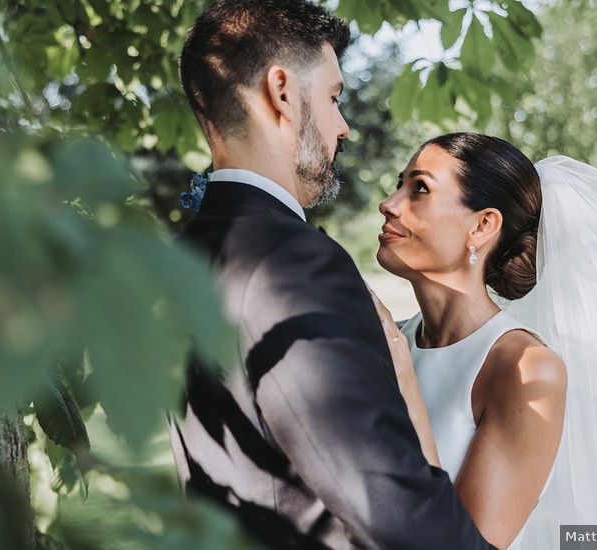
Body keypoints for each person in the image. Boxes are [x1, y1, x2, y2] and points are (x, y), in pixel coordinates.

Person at [168, 1, 495, 548]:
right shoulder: (294, 263)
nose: (343, 128)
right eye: (334, 97)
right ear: (282, 92)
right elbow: (395, 516)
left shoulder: (191, 248)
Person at [373, 132, 597, 549]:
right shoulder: (390, 338)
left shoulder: (524, 369)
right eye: (398, 184)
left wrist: (402, 374)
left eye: (419, 188)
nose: (389, 204)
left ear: (482, 225)